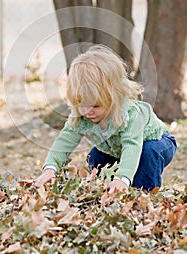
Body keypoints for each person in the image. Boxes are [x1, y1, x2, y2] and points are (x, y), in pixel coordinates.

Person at [35, 45, 177, 193]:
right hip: (117, 150)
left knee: (148, 153)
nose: (87, 111)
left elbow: (132, 146)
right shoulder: (81, 115)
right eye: (81, 105)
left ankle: (142, 193)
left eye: (95, 106)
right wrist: (50, 168)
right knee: (95, 156)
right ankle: (107, 190)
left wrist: (122, 178)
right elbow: (65, 140)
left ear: (114, 97)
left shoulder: (130, 115)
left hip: (157, 142)